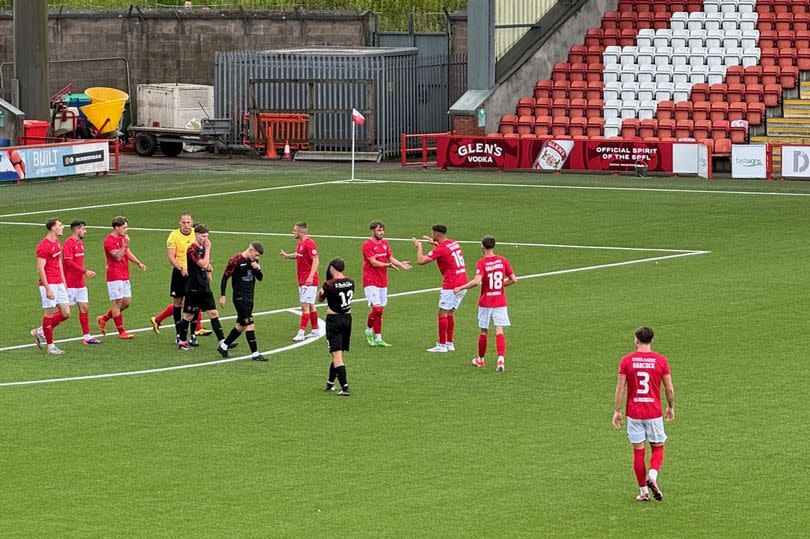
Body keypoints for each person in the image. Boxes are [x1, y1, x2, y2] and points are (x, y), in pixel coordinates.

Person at [612, 326, 675, 502]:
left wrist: (617, 411)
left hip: (634, 413)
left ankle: (643, 492)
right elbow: (669, 388)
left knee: (638, 452)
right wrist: (671, 407)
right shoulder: (661, 361)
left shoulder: (627, 361)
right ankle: (652, 476)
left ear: (636, 340)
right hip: (654, 412)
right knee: (658, 447)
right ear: (652, 340)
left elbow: (620, 388)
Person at [454, 235, 516, 372]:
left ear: (482, 246)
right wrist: (500, 286)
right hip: (500, 301)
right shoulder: (502, 260)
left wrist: (460, 287)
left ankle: (481, 360)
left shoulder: (482, 263)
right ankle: (501, 360)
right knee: (499, 329)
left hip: (486, 302)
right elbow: (513, 279)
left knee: (484, 331)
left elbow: (476, 281)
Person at [148, 212, 208, 346]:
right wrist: (181, 268)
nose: (186, 225)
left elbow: (203, 252)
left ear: (192, 222)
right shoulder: (173, 235)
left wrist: (207, 268)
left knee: (194, 303)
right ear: (179, 223)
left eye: (188, 222)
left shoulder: (196, 233)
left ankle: (192, 335)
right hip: (179, 273)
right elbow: (171, 257)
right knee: (178, 304)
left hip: (195, 273)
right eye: (183, 222)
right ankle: (179, 335)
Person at [411, 224, 468, 353]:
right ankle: (449, 343)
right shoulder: (454, 243)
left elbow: (421, 260)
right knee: (450, 313)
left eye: (432, 233)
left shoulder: (441, 249)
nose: (431, 235)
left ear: (436, 234)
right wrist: (435, 244)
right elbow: (445, 252)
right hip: (463, 282)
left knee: (442, 313)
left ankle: (442, 346)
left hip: (451, 284)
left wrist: (419, 246)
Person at [175, 224, 227, 352]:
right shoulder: (192, 249)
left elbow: (206, 264)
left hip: (204, 285)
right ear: (196, 235)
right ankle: (182, 341)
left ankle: (223, 342)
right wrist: (208, 250)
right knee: (188, 315)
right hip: (193, 286)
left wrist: (209, 271)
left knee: (213, 313)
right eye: (203, 236)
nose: (205, 239)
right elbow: (203, 264)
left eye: (207, 236)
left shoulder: (203, 247)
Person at [361, 220, 411, 347]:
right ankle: (368, 330)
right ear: (372, 231)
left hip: (382, 281)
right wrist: (388, 265)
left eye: (382, 230)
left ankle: (378, 338)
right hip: (370, 280)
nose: (381, 232)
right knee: (376, 309)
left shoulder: (385, 243)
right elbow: (374, 262)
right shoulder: (367, 245)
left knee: (380, 311)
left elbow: (390, 258)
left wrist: (400, 264)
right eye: (379, 230)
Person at [97, 216, 146, 339]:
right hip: (114, 275)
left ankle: (103, 318)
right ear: (116, 227)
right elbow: (118, 256)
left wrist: (138, 262)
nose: (126, 230)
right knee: (117, 303)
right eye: (124, 227)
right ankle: (121, 332)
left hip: (124, 274)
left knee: (126, 303)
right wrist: (124, 245)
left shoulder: (122, 238)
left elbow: (126, 252)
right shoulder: (109, 241)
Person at [218, 241, 266, 361]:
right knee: (250, 322)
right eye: (256, 255)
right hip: (240, 297)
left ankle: (224, 346)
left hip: (250, 296)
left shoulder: (254, 261)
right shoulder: (235, 261)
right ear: (250, 250)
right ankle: (255, 353)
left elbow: (260, 278)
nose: (257, 258)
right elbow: (225, 277)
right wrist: (223, 295)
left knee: (241, 326)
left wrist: (258, 269)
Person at [31, 218, 71, 355]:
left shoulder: (57, 242)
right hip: (48, 284)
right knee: (48, 313)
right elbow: (40, 269)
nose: (62, 227)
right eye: (60, 225)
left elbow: (58, 262)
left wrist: (64, 281)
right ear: (53, 228)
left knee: (66, 313)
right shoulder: (43, 246)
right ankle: (51, 346)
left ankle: (40, 331)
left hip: (58, 283)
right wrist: (48, 288)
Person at [61, 220, 102, 345]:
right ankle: (42, 330)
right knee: (64, 313)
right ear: (77, 229)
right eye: (83, 229)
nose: (85, 231)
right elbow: (68, 262)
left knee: (84, 308)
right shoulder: (69, 243)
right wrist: (85, 271)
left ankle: (87, 337)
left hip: (80, 283)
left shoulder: (80, 243)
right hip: (70, 283)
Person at [319, 258, 353, 396]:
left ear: (332, 268)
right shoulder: (351, 282)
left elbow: (320, 298)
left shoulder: (329, 284)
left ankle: (345, 388)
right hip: (347, 319)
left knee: (337, 356)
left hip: (334, 320)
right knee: (339, 353)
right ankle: (330, 383)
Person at [279, 222, 320, 341]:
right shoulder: (300, 243)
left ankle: (301, 333)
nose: (293, 232)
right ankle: (315, 330)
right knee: (311, 305)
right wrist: (287, 256)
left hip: (308, 281)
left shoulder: (309, 243)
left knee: (305, 306)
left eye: (294, 230)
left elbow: (316, 260)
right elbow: (298, 255)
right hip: (303, 279)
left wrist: (310, 277)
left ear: (301, 232)